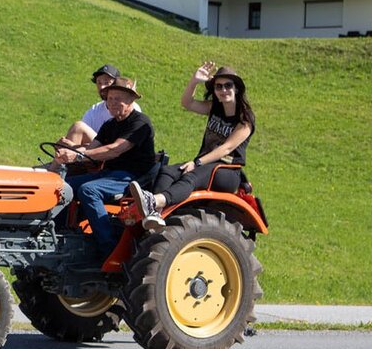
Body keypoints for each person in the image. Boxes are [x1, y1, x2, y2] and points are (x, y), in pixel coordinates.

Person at [130, 63, 254, 231]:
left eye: (228, 85)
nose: (223, 90)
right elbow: (187, 103)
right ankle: (156, 213)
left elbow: (226, 148)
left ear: (236, 88)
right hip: (206, 164)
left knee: (191, 177)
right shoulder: (214, 108)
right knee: (168, 171)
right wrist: (194, 81)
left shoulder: (244, 118)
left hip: (228, 170)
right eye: (219, 86)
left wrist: (197, 162)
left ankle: (156, 200)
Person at [54, 77, 155, 259]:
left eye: (118, 98)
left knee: (88, 190)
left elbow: (114, 150)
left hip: (131, 177)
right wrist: (69, 149)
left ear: (131, 100)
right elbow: (91, 151)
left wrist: (76, 155)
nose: (113, 102)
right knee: (63, 185)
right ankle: (58, 236)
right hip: (109, 174)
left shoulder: (140, 123)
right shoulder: (110, 125)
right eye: (110, 99)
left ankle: (109, 249)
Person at [60, 64, 141, 147]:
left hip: (116, 153)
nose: (102, 87)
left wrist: (73, 147)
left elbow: (118, 148)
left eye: (107, 82)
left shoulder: (131, 109)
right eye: (99, 83)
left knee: (78, 127)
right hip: (99, 152)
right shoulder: (95, 111)